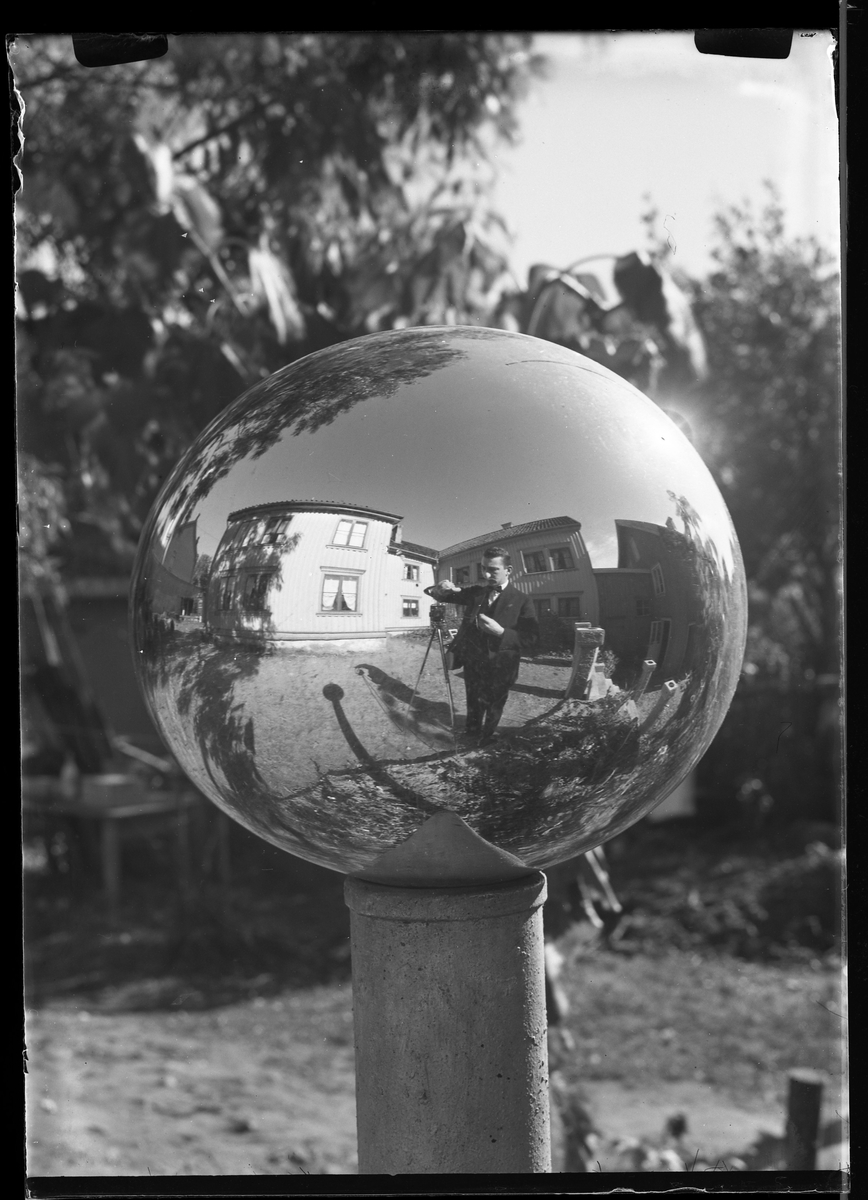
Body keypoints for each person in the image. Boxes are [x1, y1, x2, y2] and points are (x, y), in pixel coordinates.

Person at [425, 546, 538, 744]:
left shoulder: (522, 600)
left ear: (508, 570)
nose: (486, 574)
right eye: (483, 568)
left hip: (502, 665)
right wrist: (441, 587)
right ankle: (471, 734)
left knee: (495, 704)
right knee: (473, 700)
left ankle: (487, 737)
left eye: (493, 570)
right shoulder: (476, 592)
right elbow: (440, 595)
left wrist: (502, 633)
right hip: (474, 661)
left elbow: (531, 638)